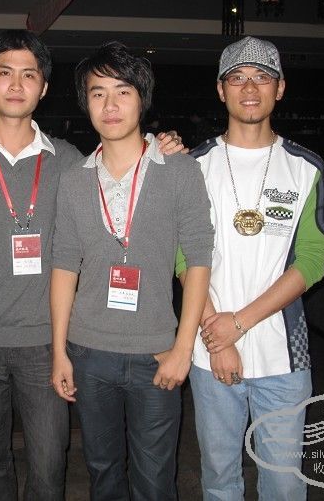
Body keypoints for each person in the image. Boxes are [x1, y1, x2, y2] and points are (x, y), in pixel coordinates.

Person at [0, 30, 185, 500]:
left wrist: (162, 145)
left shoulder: (68, 160)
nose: (16, 84)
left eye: (29, 74)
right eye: (4, 73)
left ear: (43, 87)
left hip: (47, 340)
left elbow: (121, 174)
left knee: (50, 465)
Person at [49, 42, 214, 500]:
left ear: (142, 98)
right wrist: (60, 351)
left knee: (156, 479)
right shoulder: (74, 180)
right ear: (86, 103)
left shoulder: (179, 170)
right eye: (97, 93)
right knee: (102, 472)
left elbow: (199, 258)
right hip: (89, 352)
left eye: (123, 91)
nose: (110, 104)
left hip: (157, 353)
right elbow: (63, 265)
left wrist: (183, 348)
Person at [177, 36, 324, 500]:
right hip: (208, 353)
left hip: (283, 356)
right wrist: (217, 336)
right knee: (220, 480)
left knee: (284, 484)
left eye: (262, 77)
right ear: (220, 90)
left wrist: (238, 324)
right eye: (237, 77)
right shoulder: (193, 167)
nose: (249, 87)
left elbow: (312, 261)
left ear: (279, 89)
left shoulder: (306, 168)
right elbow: (181, 257)